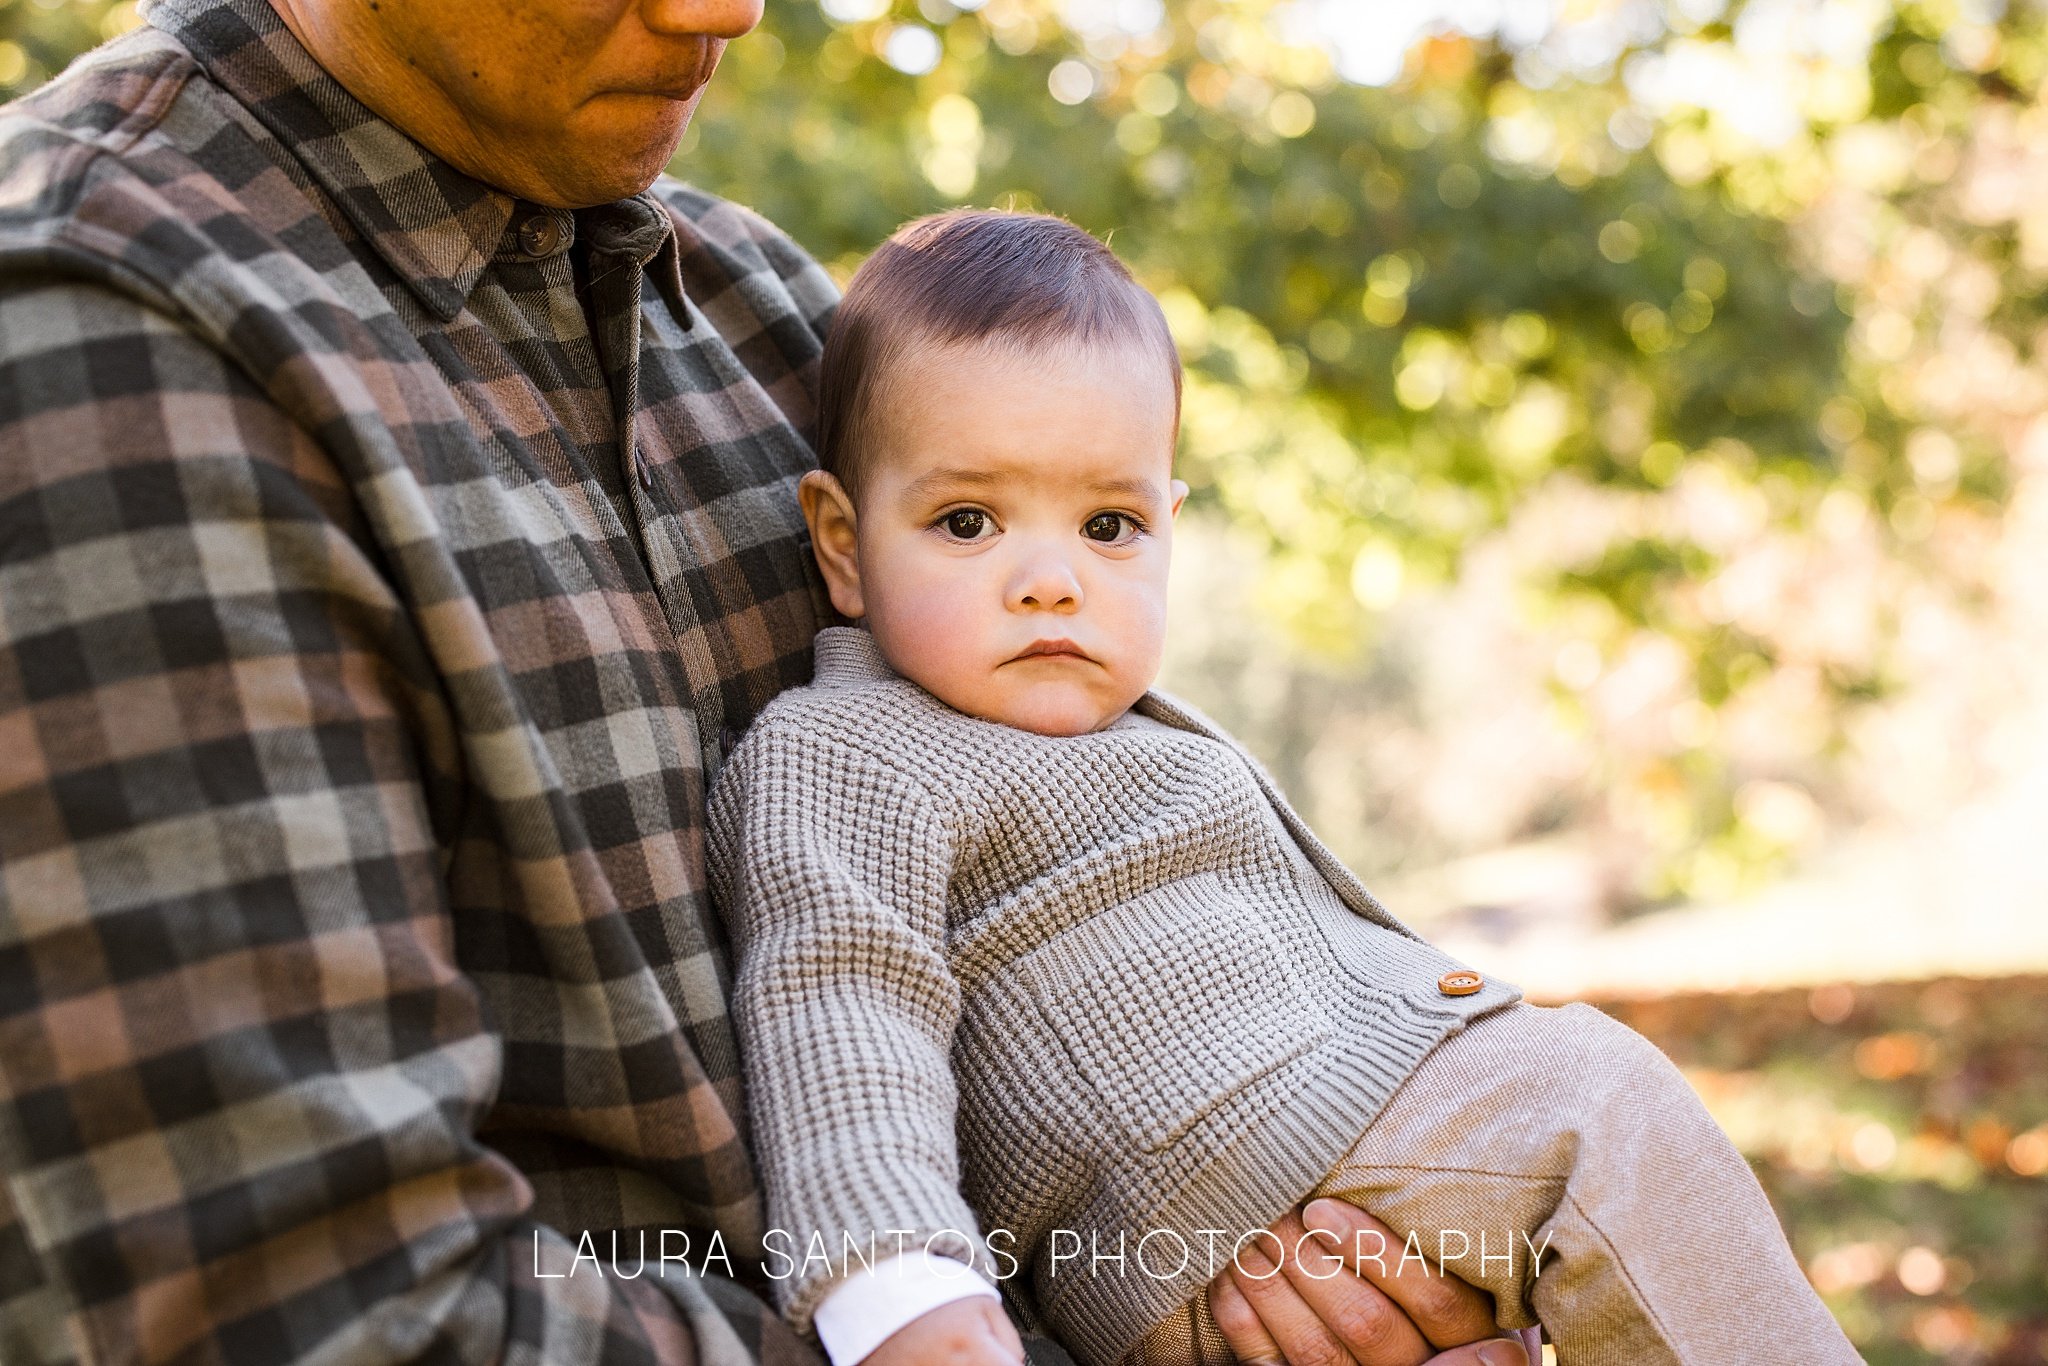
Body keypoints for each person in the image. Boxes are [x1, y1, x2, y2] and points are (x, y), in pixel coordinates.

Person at [0, 2, 1533, 1363]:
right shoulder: (111, 330)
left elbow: (1052, 912)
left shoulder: (758, 316)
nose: (723, 11)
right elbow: (320, 1304)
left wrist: (1290, 1245)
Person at [706, 209, 1867, 1366]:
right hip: (1238, 1180)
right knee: (1603, 1112)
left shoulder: (1124, 728)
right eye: (968, 521)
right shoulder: (845, 748)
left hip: (1319, 1166)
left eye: (1109, 524)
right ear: (844, 546)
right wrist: (898, 1285)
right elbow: (839, 1001)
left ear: (1170, 523)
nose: (1050, 580)